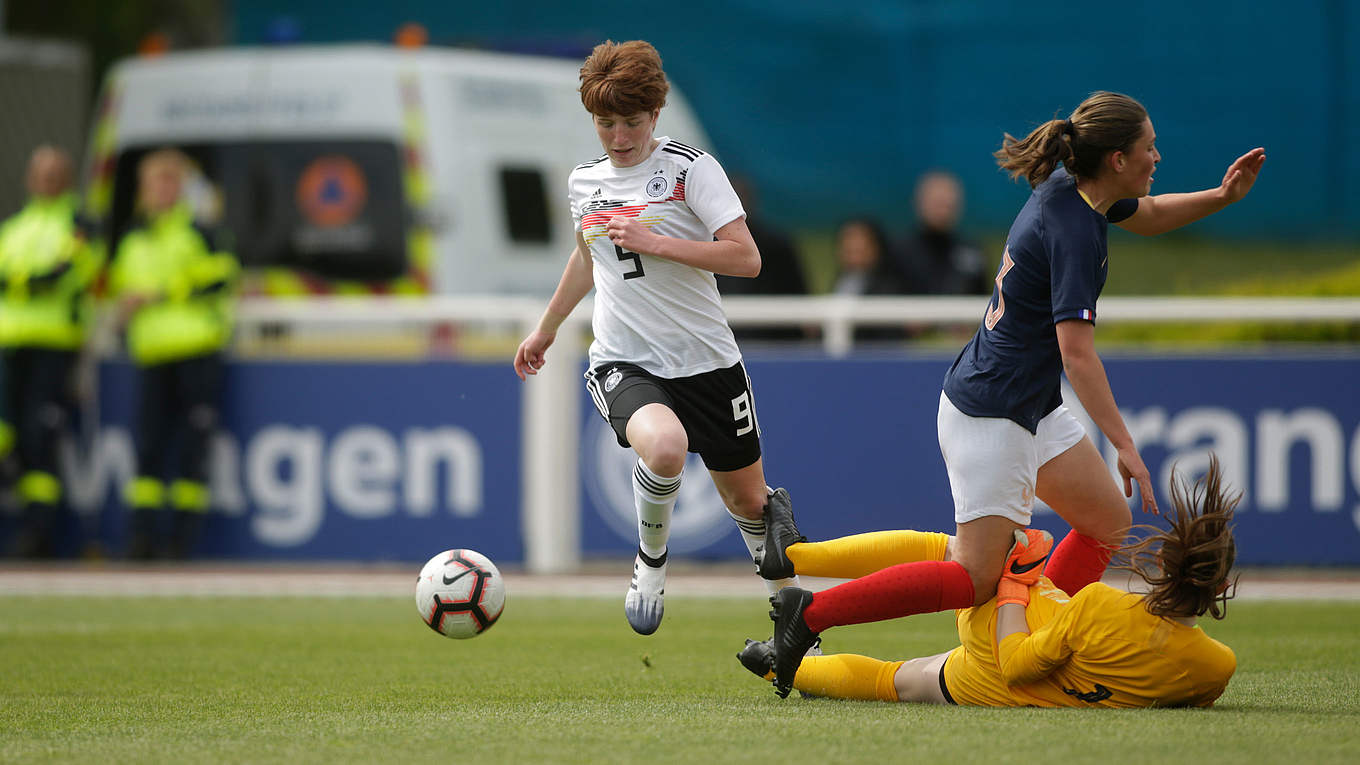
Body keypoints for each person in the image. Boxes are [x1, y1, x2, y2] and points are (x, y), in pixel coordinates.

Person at [758, 91, 1265, 689]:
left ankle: (1040, 628)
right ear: (1117, 160)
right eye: (1148, 148)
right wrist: (1125, 445)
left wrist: (1222, 197)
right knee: (973, 575)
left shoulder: (1076, 189)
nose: (1157, 157)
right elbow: (1077, 356)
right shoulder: (1074, 229)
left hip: (1025, 402)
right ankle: (810, 614)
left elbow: (1149, 215)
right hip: (994, 412)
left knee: (1106, 521)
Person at [513, 40, 802, 635]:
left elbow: (746, 259)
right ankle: (650, 564)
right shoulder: (584, 181)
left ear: (655, 113)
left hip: (709, 364)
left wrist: (656, 242)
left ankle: (796, 633)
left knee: (753, 510)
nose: (619, 136)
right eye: (605, 122)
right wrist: (547, 328)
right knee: (665, 447)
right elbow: (587, 258)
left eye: (632, 121)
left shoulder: (690, 170)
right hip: (624, 360)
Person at [742, 457, 1239, 706]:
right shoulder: (1216, 667)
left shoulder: (1099, 605)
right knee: (894, 682)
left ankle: (794, 557)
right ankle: (777, 667)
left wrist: (1016, 583)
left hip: (1006, 631)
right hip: (997, 691)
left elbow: (1018, 662)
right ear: (1219, 589)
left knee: (954, 553)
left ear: (1164, 563)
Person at [108, 148, 239, 560]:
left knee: (191, 448)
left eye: (169, 181)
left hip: (196, 349)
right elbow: (118, 284)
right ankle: (141, 539)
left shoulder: (201, 230)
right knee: (148, 447)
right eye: (155, 182)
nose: (162, 190)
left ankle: (181, 543)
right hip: (151, 353)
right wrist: (123, 309)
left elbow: (222, 278)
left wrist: (161, 294)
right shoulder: (133, 237)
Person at [0, 146, 101, 557]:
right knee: (8, 435)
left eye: (55, 174)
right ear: (29, 178)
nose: (47, 181)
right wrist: (28, 283)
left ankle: (37, 534)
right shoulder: (14, 227)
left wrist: (20, 283)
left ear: (68, 179)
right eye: (42, 173)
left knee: (40, 436)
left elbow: (68, 274)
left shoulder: (79, 225)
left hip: (54, 345)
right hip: (9, 343)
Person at [715, 175, 809, 342]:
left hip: (770, 336)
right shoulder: (704, 243)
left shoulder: (776, 244)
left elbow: (796, 293)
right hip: (721, 332)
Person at [895, 171, 989, 296]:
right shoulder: (899, 252)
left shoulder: (971, 252)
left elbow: (983, 297)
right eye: (937, 204)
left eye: (948, 205)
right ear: (920, 203)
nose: (943, 211)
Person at [829, 217, 913, 342]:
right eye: (849, 250)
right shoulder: (841, 280)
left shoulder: (888, 289)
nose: (854, 256)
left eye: (860, 249)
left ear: (876, 248)